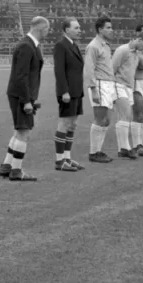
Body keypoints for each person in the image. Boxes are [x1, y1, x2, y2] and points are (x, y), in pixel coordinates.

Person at [0, 16, 50, 181]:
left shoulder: (29, 45)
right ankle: (16, 170)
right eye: (47, 30)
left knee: (19, 131)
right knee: (24, 132)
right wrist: (26, 100)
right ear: (40, 29)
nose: (47, 33)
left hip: (21, 94)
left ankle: (7, 167)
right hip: (21, 95)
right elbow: (21, 76)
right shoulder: (26, 46)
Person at [110, 29, 143, 159]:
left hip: (129, 87)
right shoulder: (122, 50)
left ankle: (122, 149)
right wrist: (111, 88)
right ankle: (126, 148)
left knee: (125, 117)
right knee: (126, 115)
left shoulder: (136, 54)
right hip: (119, 85)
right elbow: (112, 69)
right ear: (139, 40)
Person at [83, 17, 118, 163]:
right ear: (100, 29)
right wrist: (94, 89)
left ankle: (98, 150)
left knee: (107, 120)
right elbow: (89, 69)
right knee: (100, 118)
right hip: (100, 84)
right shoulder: (93, 46)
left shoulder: (106, 45)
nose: (111, 30)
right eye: (108, 27)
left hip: (108, 84)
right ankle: (94, 152)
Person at [52, 17, 85, 172]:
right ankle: (59, 161)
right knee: (64, 124)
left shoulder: (74, 45)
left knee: (72, 125)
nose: (80, 30)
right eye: (76, 28)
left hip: (77, 91)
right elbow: (59, 71)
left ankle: (67, 158)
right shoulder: (61, 45)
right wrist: (64, 91)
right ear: (67, 30)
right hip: (67, 92)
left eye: (79, 28)